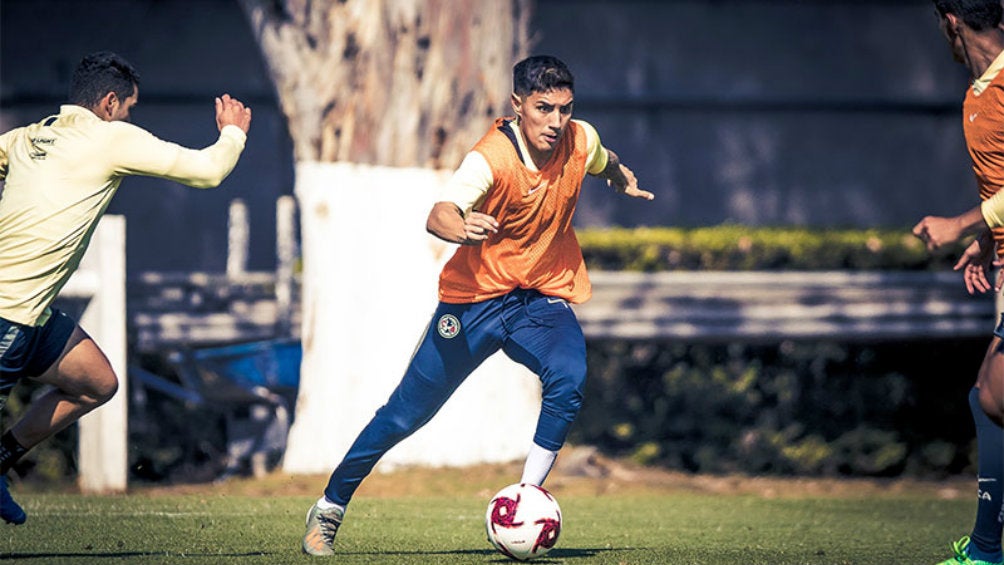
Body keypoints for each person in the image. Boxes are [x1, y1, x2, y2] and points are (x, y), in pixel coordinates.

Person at [300, 54, 654, 556]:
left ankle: (528, 495)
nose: (556, 122)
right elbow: (439, 213)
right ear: (517, 106)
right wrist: (460, 226)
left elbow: (602, 157)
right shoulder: (490, 157)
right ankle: (330, 508)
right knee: (404, 416)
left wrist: (619, 175)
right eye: (544, 108)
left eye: (565, 109)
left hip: (538, 299)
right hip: (474, 303)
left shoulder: (581, 138)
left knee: (569, 376)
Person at [0, 51, 252, 524]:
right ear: (111, 103)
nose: (131, 119)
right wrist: (233, 132)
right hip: (7, 313)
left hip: (32, 313)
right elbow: (207, 171)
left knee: (96, 383)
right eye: (131, 109)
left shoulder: (29, 136)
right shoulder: (109, 137)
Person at [911, 2, 1004, 564]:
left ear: (949, 21)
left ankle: (988, 549)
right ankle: (987, 548)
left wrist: (961, 224)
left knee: (993, 394)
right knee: (990, 397)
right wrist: (988, 240)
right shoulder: (981, 93)